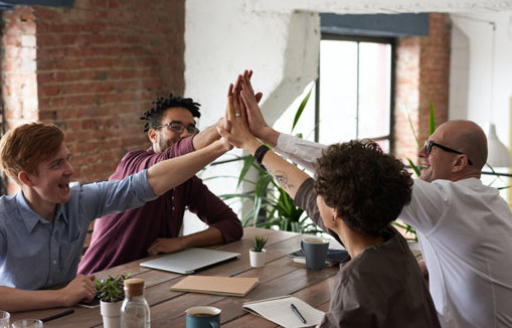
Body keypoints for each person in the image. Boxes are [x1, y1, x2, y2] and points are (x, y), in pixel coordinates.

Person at [237, 70, 512, 327]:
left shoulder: (446, 203)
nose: (420, 152)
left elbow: (351, 170)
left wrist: (266, 137)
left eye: (431, 147)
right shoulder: (488, 203)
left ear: (459, 162)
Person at [217, 81, 440, 327]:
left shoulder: (357, 280)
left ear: (336, 210)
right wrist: (251, 143)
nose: (314, 194)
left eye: (320, 190)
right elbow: (303, 191)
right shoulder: (389, 241)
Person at [0, 122, 231, 312]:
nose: (70, 170)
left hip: (72, 317)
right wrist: (61, 296)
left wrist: (220, 146)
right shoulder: (3, 217)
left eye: (67, 158)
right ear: (27, 179)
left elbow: (144, 184)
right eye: (57, 164)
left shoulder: (79, 200)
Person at [78, 94, 243, 274]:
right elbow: (170, 158)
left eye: (191, 128)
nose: (186, 134)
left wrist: (182, 242)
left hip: (152, 280)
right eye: (175, 127)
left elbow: (231, 225)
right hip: (100, 282)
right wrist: (222, 126)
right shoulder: (134, 163)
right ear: (153, 135)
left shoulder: (186, 181)